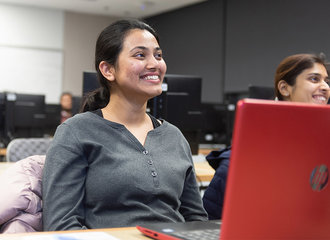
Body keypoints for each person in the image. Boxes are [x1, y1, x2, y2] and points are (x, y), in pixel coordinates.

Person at [42, 19, 208, 231]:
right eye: (140, 55)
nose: (155, 64)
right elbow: (61, 225)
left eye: (158, 55)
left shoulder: (174, 136)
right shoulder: (76, 132)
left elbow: (196, 221)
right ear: (108, 70)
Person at [203, 53, 330, 220]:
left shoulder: (321, 151)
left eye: (326, 81)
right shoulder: (243, 159)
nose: (325, 87)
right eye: (314, 79)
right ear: (285, 88)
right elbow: (210, 222)